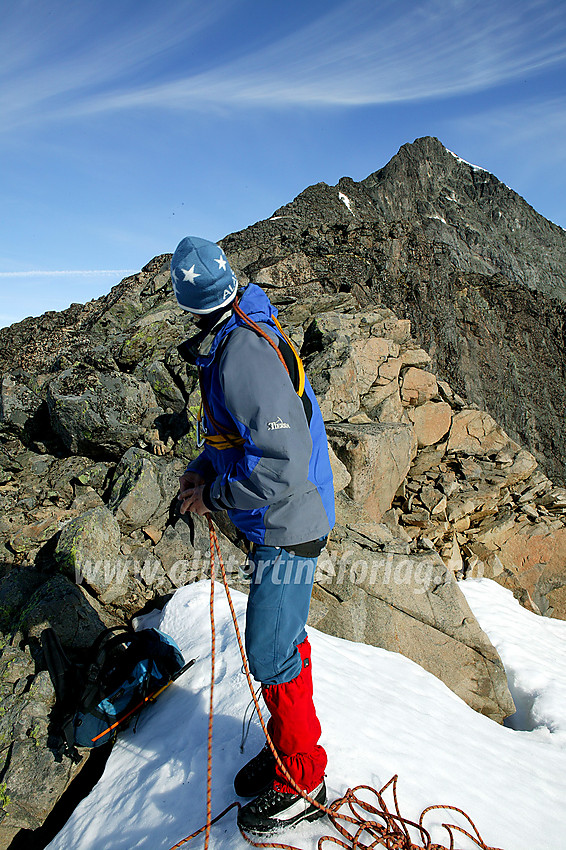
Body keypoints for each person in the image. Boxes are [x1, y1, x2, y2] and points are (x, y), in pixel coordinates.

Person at [172, 235, 335, 835]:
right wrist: (203, 469)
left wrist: (213, 497)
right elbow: (237, 435)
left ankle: (304, 774)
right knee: (278, 642)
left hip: (289, 526)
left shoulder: (241, 353)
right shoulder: (235, 335)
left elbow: (281, 465)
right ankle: (290, 745)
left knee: (270, 652)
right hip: (283, 519)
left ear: (183, 301)